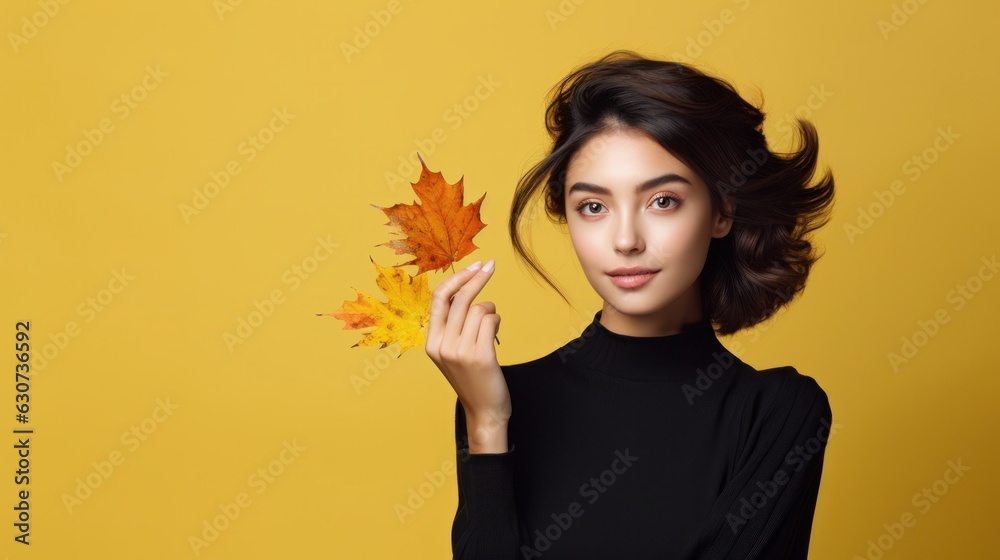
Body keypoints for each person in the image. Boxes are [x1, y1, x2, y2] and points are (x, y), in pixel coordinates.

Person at [424, 49, 836, 559]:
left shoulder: (776, 414)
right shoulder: (499, 402)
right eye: (593, 206)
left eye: (662, 201)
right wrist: (486, 423)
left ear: (722, 211)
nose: (625, 240)